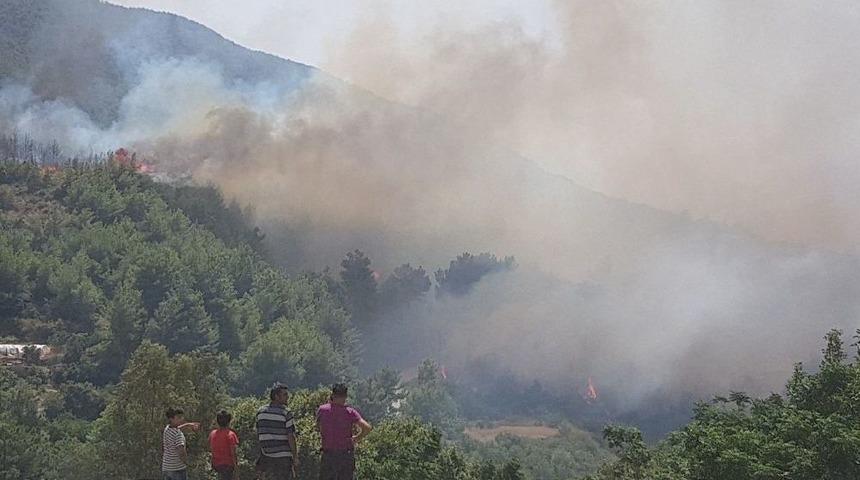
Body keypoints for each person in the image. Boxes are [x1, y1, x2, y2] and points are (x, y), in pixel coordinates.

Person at [316, 383, 372, 480]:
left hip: (328, 455)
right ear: (345, 396)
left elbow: (319, 427)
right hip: (346, 455)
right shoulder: (350, 412)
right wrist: (356, 438)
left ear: (333, 395)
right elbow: (367, 427)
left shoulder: (322, 410)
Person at [256, 382, 299, 480]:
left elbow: (259, 434)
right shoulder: (286, 413)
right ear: (276, 396)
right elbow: (290, 436)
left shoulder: (261, 412)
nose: (287, 397)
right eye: (285, 395)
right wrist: (295, 455)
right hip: (283, 457)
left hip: (266, 455)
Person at [162, 408, 200, 480]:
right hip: (177, 469)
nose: (181, 419)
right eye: (179, 417)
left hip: (167, 467)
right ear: (171, 419)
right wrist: (187, 463)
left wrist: (188, 425)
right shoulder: (178, 434)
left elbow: (177, 428)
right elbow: (181, 452)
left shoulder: (167, 429)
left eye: (182, 417)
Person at [209, 410, 240, 480]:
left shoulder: (212, 434)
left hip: (216, 466)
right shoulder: (231, 435)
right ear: (229, 422)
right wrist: (236, 470)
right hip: (227, 467)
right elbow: (233, 453)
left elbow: (211, 449)